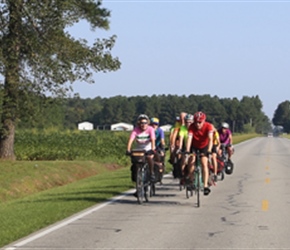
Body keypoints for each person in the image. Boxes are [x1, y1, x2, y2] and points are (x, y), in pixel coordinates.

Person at [185, 111, 214, 196]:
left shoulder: (208, 126)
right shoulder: (191, 126)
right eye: (196, 122)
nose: (197, 124)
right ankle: (191, 179)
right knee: (191, 160)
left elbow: (210, 139)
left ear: (204, 121)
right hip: (194, 146)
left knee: (204, 163)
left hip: (204, 147)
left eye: (200, 122)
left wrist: (209, 150)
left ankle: (205, 186)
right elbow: (189, 139)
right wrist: (187, 150)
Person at [126, 114, 156, 181]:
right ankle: (136, 177)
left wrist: (153, 149)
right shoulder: (136, 130)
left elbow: (153, 139)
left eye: (145, 123)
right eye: (142, 123)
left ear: (147, 123)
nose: (144, 125)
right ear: (139, 123)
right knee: (135, 162)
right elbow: (131, 140)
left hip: (148, 147)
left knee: (149, 158)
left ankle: (151, 172)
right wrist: (128, 149)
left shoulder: (150, 129)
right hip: (139, 148)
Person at [177, 113, 194, 184]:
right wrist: (179, 148)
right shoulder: (183, 128)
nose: (188, 124)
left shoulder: (194, 128)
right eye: (187, 122)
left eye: (190, 122)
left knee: (193, 161)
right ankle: (183, 174)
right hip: (185, 146)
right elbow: (181, 139)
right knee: (183, 160)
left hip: (194, 147)